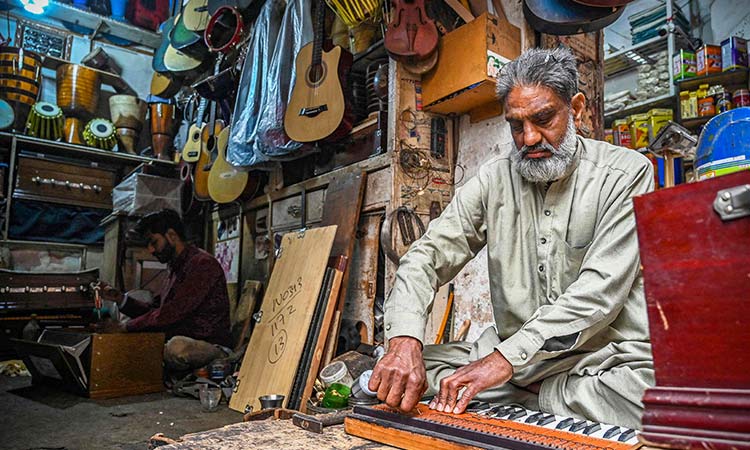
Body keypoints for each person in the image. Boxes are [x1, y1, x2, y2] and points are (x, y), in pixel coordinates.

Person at [369, 47, 655, 430]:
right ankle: (538, 396)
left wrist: (502, 362)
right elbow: (426, 256)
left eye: (543, 119)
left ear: (577, 108)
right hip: (515, 363)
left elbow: (598, 293)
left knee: (653, 396)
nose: (530, 138)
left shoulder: (626, 173)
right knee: (395, 374)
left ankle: (528, 396)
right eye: (516, 125)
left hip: (602, 361)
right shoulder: (494, 179)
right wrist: (404, 341)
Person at [101, 209, 232, 374]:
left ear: (171, 235)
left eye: (154, 242)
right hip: (181, 338)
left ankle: (220, 359)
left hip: (209, 345)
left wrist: (126, 327)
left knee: (176, 347)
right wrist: (120, 299)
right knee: (143, 335)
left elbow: (171, 313)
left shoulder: (202, 264)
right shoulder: (174, 268)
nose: (151, 250)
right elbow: (156, 310)